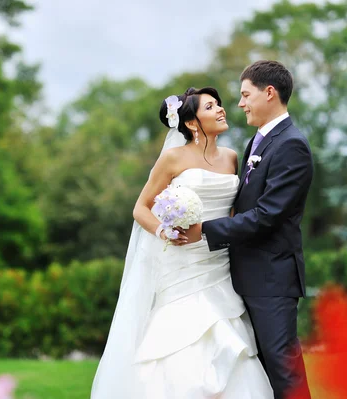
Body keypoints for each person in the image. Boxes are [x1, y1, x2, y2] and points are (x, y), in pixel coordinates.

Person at [91, 87, 273, 398]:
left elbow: (233, 212)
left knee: (227, 336)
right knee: (178, 341)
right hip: (182, 263)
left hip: (218, 263)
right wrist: (164, 232)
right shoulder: (172, 158)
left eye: (219, 105)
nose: (221, 110)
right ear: (191, 123)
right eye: (210, 107)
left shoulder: (231, 158)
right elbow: (140, 208)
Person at [187, 60, 313, 399]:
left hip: (272, 279)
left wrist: (205, 230)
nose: (240, 103)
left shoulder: (292, 145)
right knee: (258, 373)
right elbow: (245, 204)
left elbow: (267, 214)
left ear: (268, 93)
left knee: (283, 370)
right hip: (244, 275)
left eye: (245, 95)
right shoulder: (257, 142)